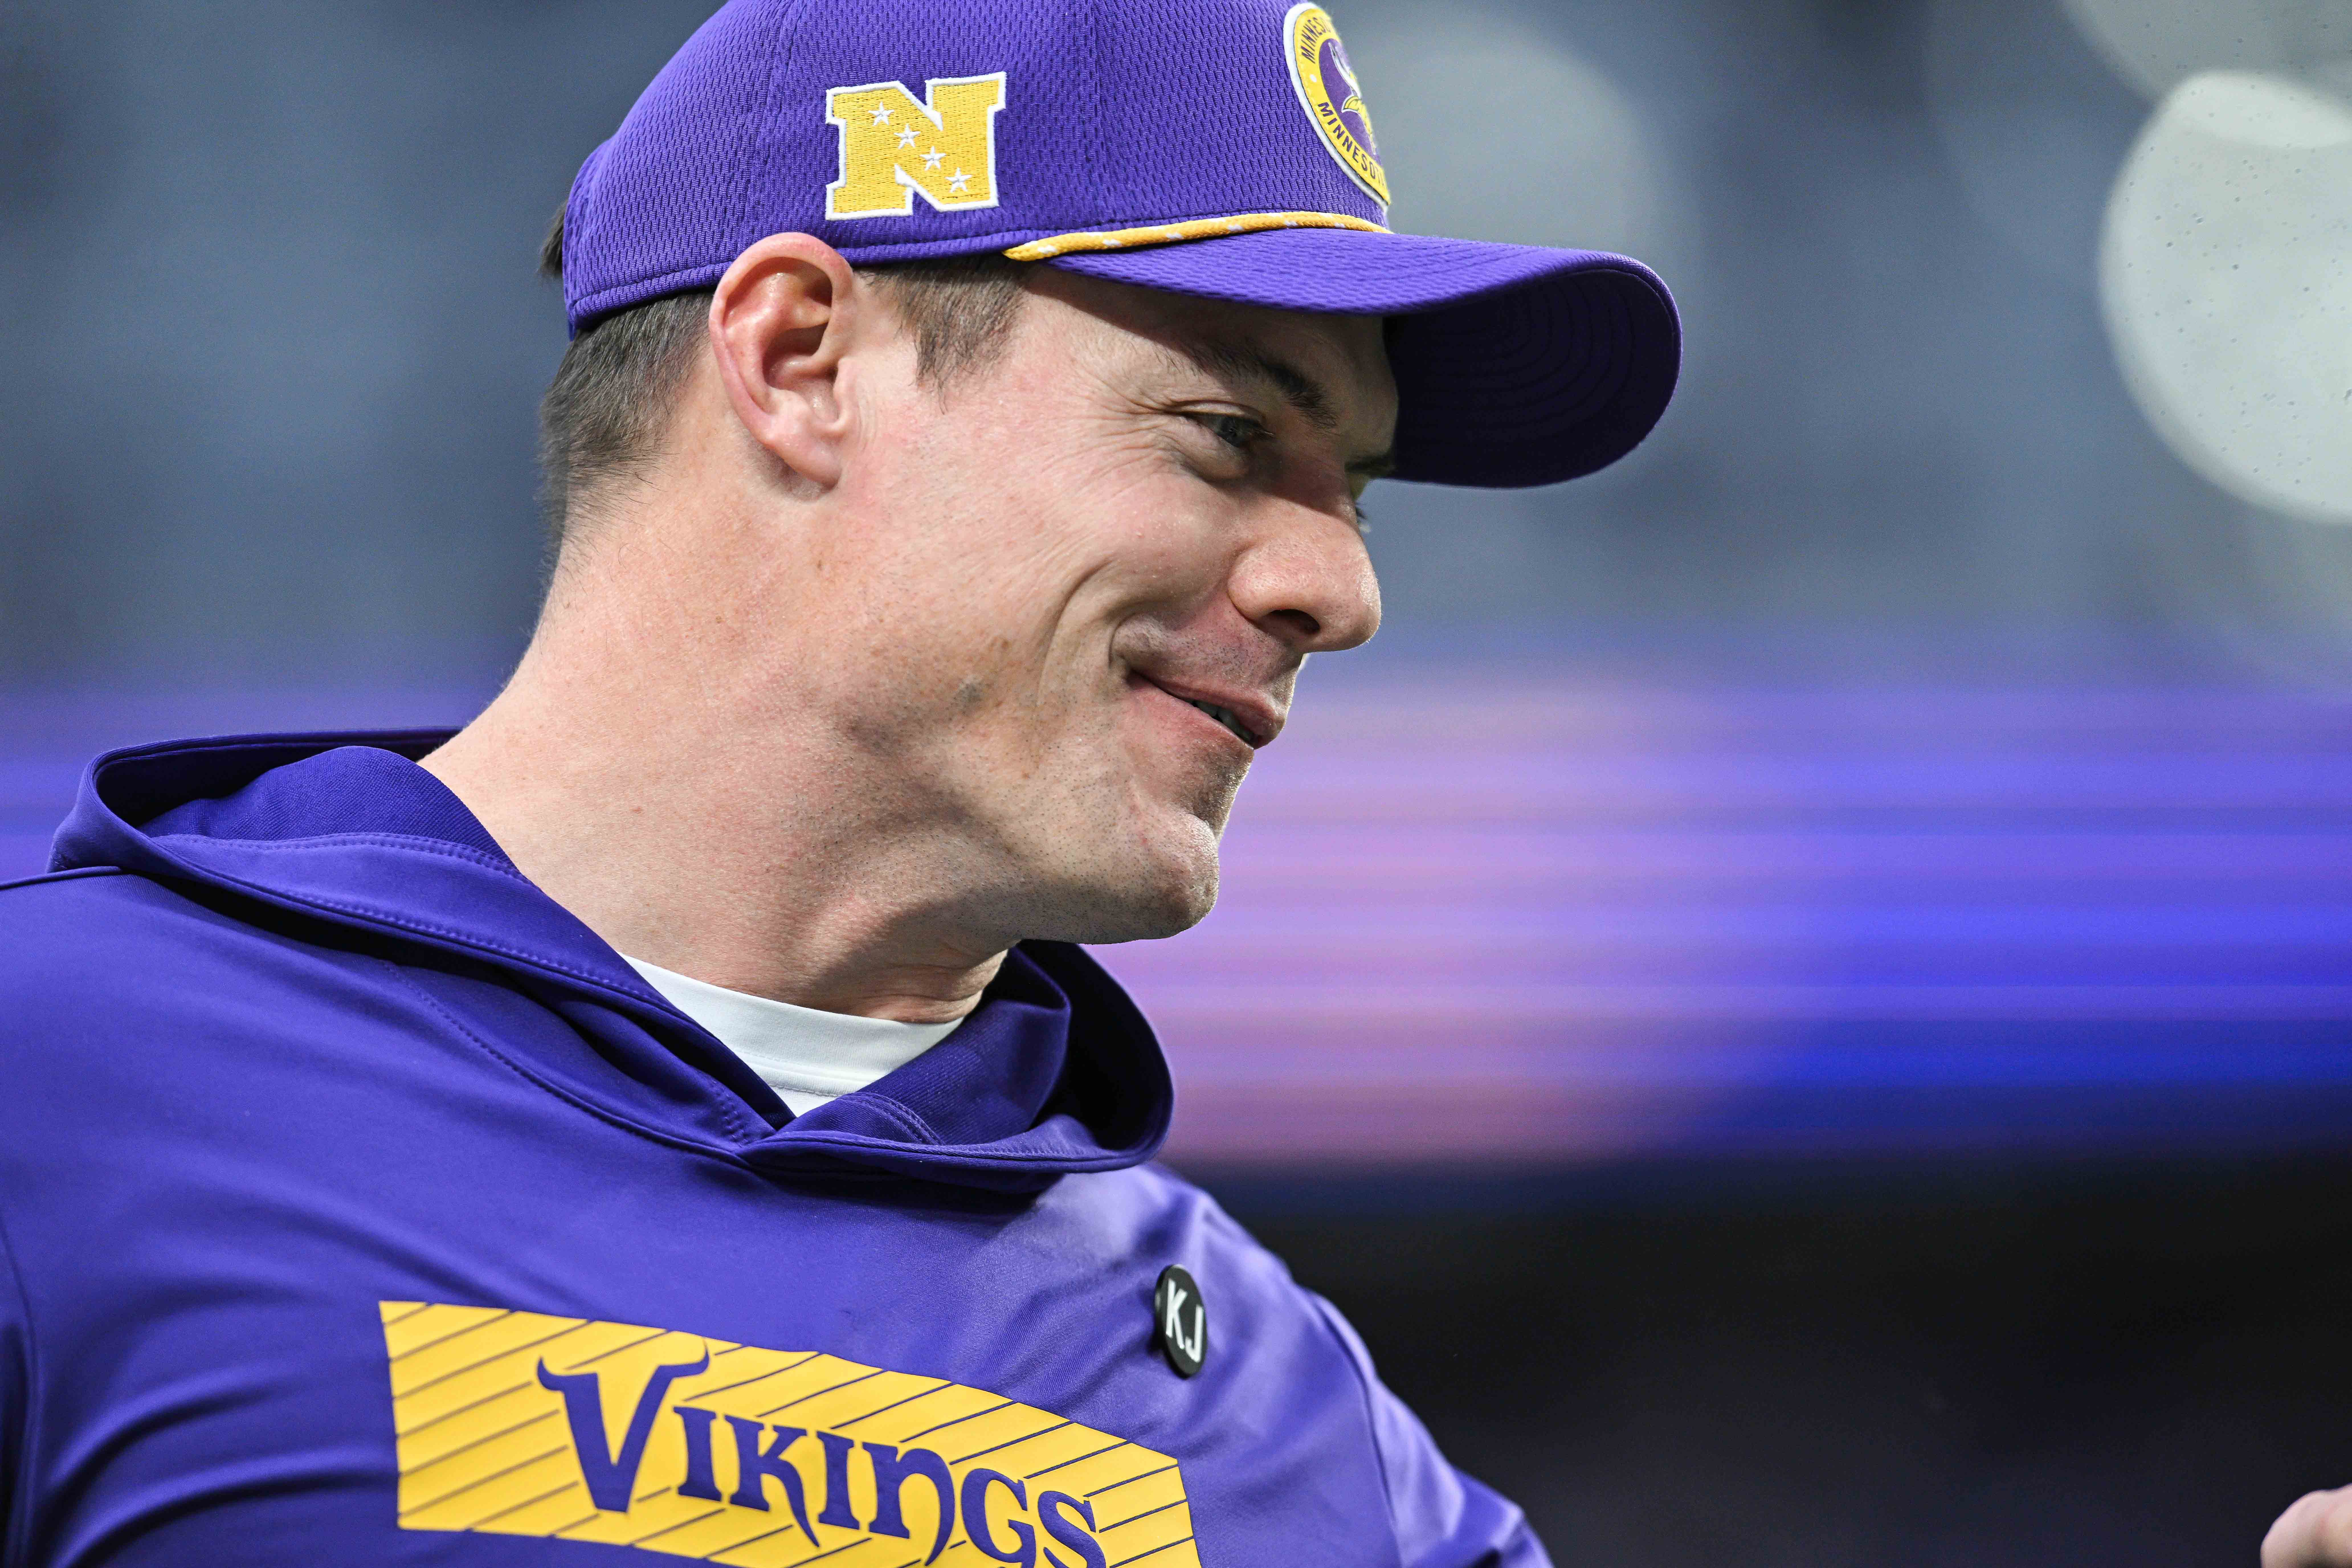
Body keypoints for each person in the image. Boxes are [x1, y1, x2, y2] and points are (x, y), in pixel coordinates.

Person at [0, 0, 1676, 1562]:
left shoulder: (1307, 1440)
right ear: (802, 358)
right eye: (1229, 434)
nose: (1342, 588)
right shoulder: (57, 1089)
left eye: (1357, 494)